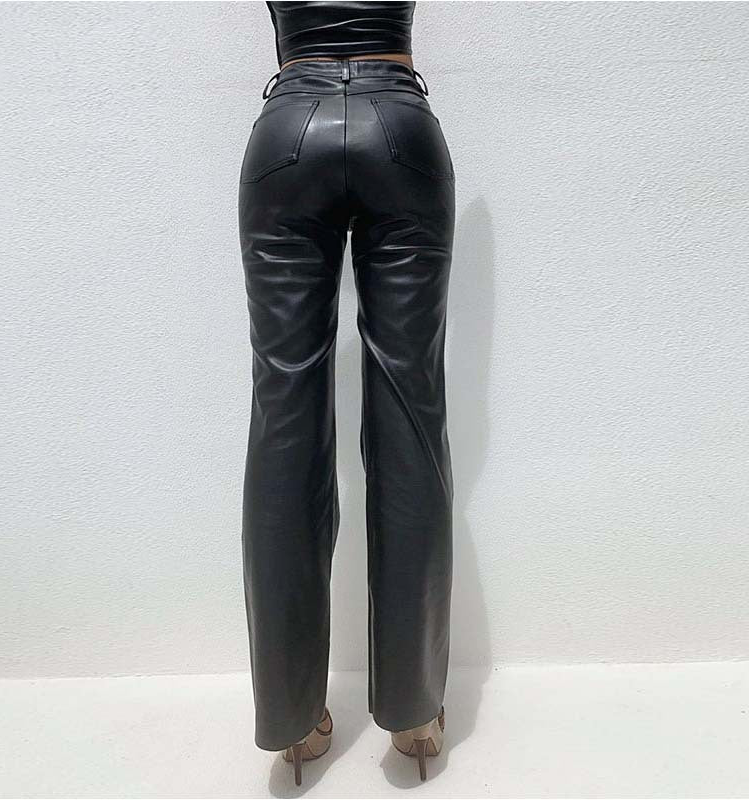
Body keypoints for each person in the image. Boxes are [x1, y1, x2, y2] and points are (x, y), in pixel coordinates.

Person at [238, 1, 455, 784]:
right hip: (400, 128)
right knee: (411, 407)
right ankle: (416, 713)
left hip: (287, 134)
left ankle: (293, 721)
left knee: (283, 412)